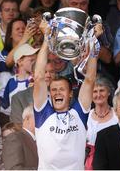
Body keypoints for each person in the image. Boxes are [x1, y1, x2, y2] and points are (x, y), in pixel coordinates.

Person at [33, 17, 101, 169]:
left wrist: (93, 41)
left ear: (70, 94)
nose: (57, 92)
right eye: (54, 89)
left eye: (61, 89)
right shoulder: (42, 113)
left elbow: (90, 79)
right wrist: (46, 39)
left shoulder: (79, 112)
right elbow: (38, 77)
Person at [85, 75, 118, 170]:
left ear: (108, 92)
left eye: (102, 90)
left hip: (113, 162)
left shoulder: (117, 115)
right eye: (95, 91)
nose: (98, 94)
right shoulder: (86, 116)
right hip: (89, 165)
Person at [0, 0, 20, 94]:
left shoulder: (28, 36)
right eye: (7, 10)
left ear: (18, 14)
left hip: (21, 93)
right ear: (0, 14)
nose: (11, 13)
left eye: (14, 10)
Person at [0, 43, 39, 116]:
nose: (35, 63)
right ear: (19, 62)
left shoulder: (37, 80)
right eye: (31, 60)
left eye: (36, 60)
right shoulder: (11, 82)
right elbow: (5, 105)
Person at [2, 105, 38, 170]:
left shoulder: (42, 139)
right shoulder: (14, 138)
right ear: (27, 118)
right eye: (41, 117)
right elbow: (13, 169)